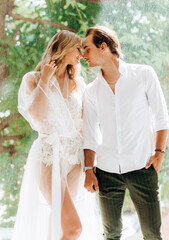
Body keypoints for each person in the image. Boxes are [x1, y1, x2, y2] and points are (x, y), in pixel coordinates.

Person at [83, 26, 169, 240]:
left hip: (142, 167)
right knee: (111, 234)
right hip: (106, 171)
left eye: (87, 49)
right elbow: (90, 133)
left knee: (152, 233)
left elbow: (161, 117)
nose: (83, 56)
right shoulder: (91, 91)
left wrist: (159, 152)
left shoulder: (144, 75)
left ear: (103, 47)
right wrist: (88, 169)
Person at [12, 30, 86, 240]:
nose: (81, 53)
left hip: (75, 158)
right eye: (77, 48)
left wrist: (90, 162)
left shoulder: (78, 84)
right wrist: (45, 80)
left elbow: (84, 125)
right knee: (74, 228)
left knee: (59, 226)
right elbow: (36, 116)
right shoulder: (33, 79)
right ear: (63, 47)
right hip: (48, 154)